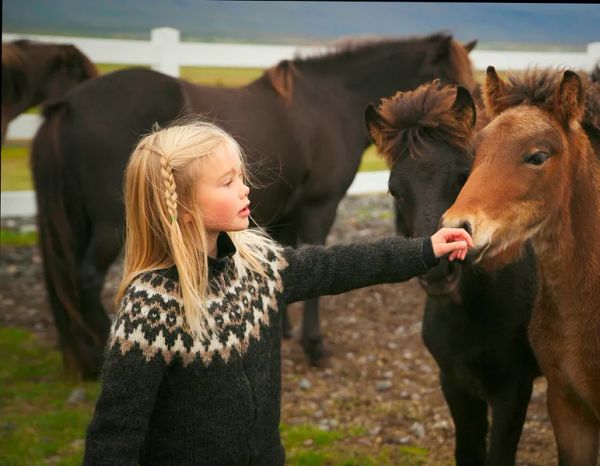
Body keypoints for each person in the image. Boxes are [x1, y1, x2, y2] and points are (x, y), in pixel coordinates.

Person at [82, 120, 472, 465]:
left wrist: (424, 249)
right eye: (227, 182)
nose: (245, 189)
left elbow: (336, 266)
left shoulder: (258, 266)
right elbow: (116, 432)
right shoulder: (151, 310)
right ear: (183, 207)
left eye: (241, 176)